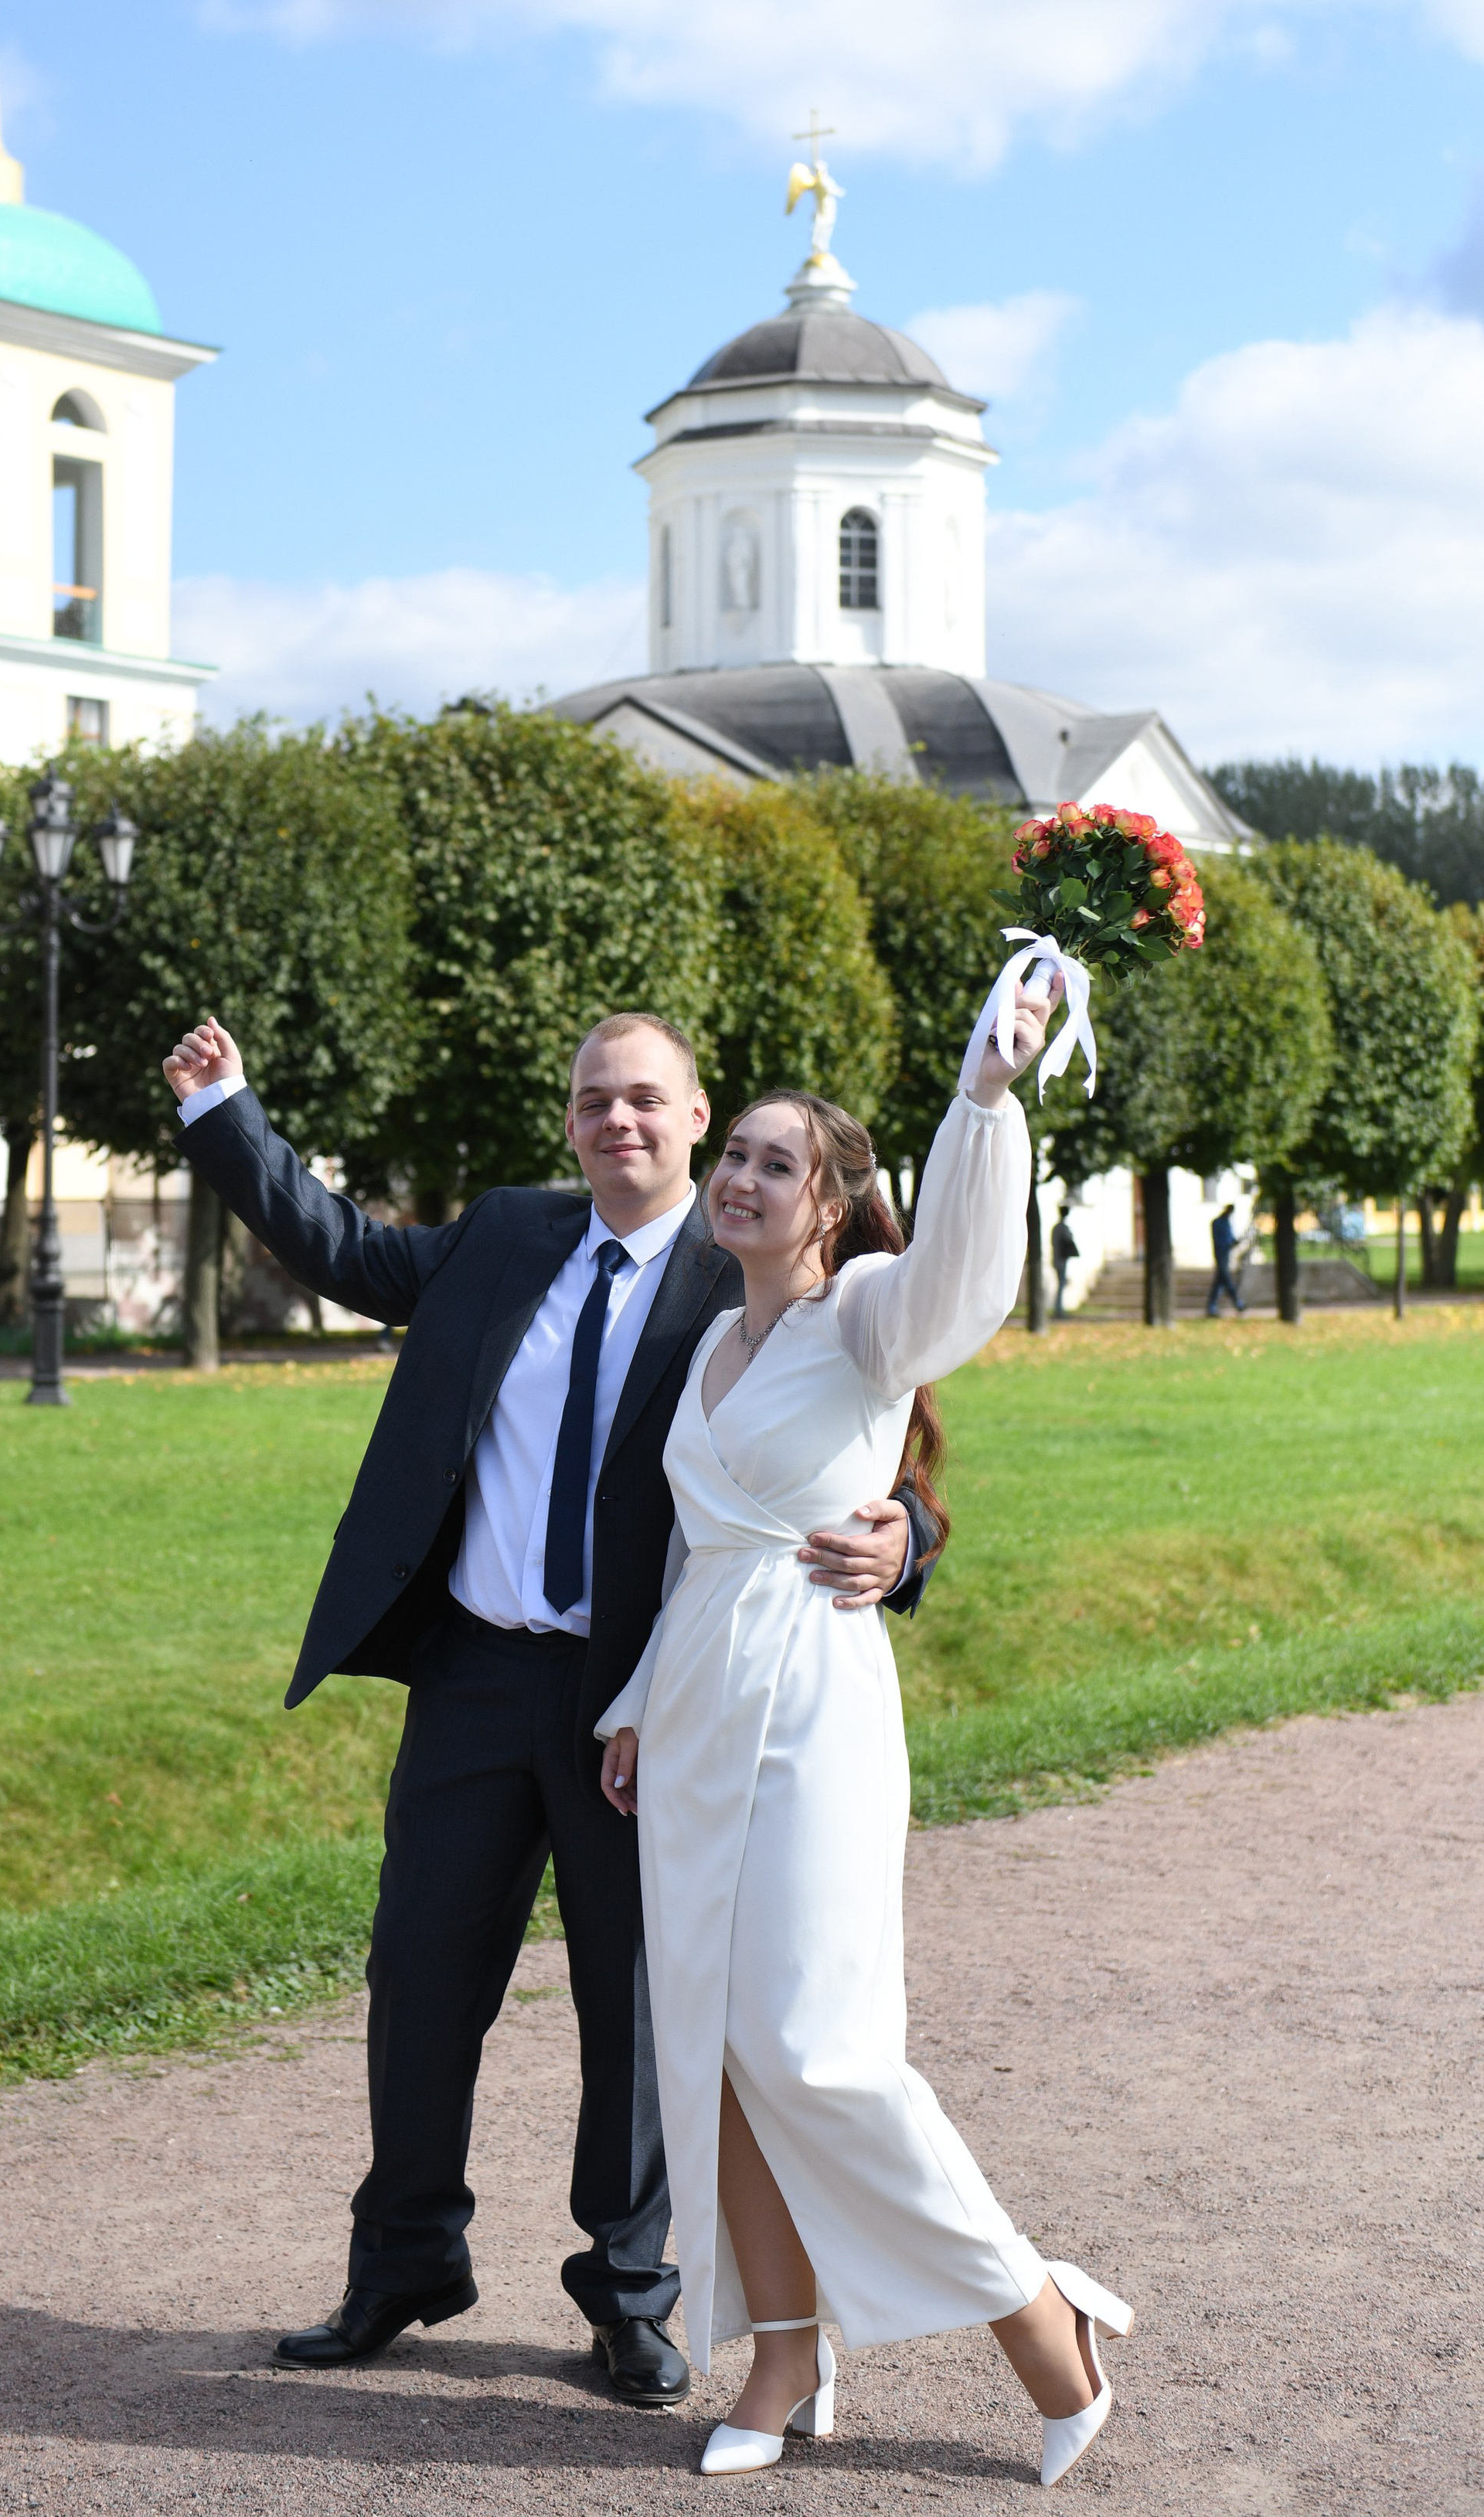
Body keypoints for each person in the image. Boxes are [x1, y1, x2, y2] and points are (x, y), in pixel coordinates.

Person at [160, 1009, 945, 2406]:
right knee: (416, 1973)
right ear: (571, 1117)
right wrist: (230, 1113)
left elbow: (879, 1435)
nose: (618, 1120)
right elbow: (344, 1250)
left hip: (640, 1699)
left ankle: (629, 2292)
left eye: (647, 1099)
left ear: (697, 1118)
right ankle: (404, 2262)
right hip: (470, 1676)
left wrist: (909, 1542)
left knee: (635, 2002)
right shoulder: (505, 1234)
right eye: (595, 1099)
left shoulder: (749, 1271)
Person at [595, 980, 1133, 2487]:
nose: (740, 1175)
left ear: (830, 1204)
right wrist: (635, 1701)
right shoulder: (708, 1342)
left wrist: (982, 1099)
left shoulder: (863, 1319)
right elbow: (696, 1547)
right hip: (696, 1706)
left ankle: (1042, 2325)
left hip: (815, 1704)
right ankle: (783, 2351)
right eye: (736, 1154)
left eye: (776, 1160)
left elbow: (961, 1275)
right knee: (713, 2053)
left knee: (816, 2049)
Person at [1206, 1201, 1247, 1319]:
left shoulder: (1227, 1223)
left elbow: (1230, 1238)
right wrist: (1230, 1243)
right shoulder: (1217, 1222)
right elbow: (1221, 1240)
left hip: (1226, 1254)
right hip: (1221, 1254)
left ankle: (1212, 1306)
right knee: (1226, 1280)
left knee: (1219, 1282)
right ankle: (1237, 1302)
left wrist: (1235, 1241)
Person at [1049, 1202, 1080, 1319]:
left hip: (1058, 1259)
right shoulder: (1062, 1228)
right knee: (1061, 1285)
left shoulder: (1056, 1228)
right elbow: (1067, 1240)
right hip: (1060, 1260)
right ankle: (1059, 1310)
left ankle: (1059, 1309)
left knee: (1062, 1284)